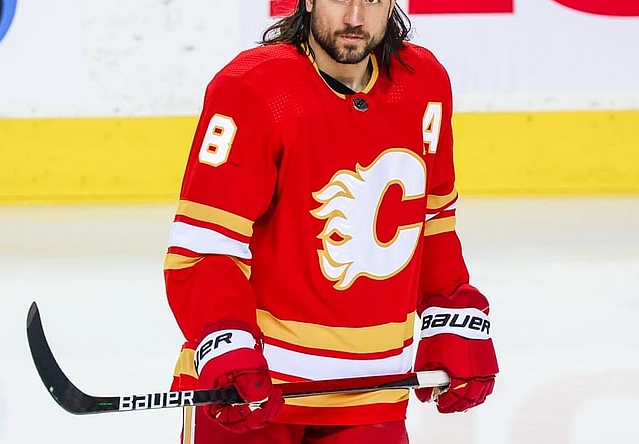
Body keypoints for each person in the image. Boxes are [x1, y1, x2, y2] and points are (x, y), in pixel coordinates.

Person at [163, 0, 499, 442]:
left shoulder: (424, 84)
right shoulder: (253, 89)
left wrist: (452, 313)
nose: (355, 18)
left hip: (373, 392)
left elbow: (432, 220)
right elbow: (208, 246)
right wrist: (225, 340)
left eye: (372, 0)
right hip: (256, 390)